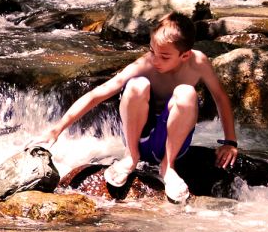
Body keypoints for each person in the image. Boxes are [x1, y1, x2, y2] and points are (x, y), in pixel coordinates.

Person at [37, 12, 238, 202]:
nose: (156, 60)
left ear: (184, 56)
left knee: (186, 92)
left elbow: (220, 97)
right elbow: (99, 93)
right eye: (152, 51)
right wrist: (58, 129)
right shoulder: (146, 64)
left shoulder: (199, 63)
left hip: (174, 143)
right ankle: (131, 157)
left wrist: (230, 142)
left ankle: (168, 167)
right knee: (136, 85)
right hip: (140, 140)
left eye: (165, 56)